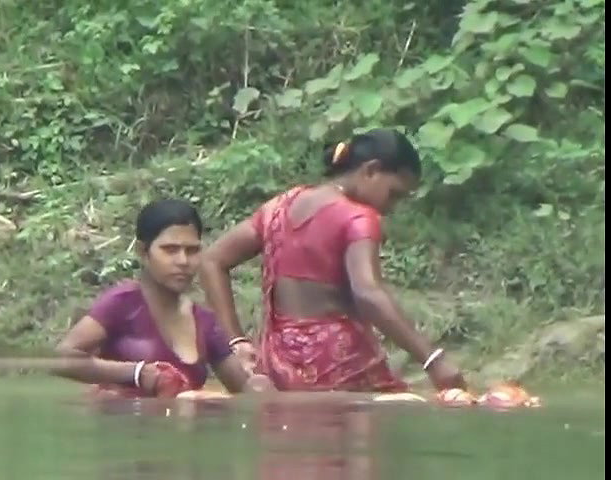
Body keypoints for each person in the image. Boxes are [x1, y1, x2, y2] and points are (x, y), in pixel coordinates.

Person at [198, 128, 467, 393]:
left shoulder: (280, 206)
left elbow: (212, 261)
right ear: (370, 170)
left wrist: (237, 340)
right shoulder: (358, 217)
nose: (391, 206)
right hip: (339, 367)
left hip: (278, 366)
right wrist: (433, 359)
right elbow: (368, 293)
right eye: (393, 193)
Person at [51, 198, 271, 398]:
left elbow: (244, 392)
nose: (183, 261)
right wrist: (136, 373)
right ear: (142, 252)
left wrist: (262, 388)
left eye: (192, 251)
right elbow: (61, 360)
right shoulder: (123, 304)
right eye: (170, 250)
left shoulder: (205, 322)